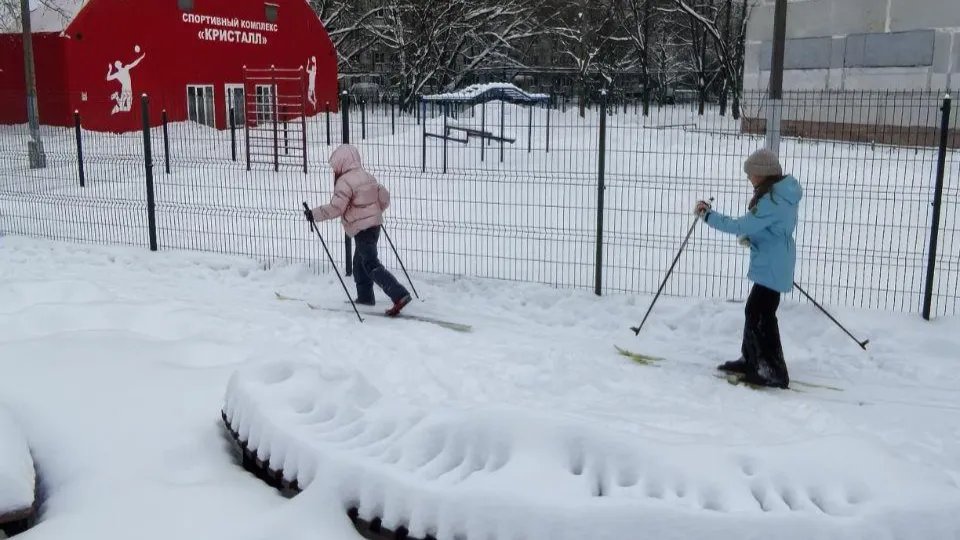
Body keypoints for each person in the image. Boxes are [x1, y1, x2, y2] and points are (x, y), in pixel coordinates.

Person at [694, 148, 803, 389]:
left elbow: (741, 224)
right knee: (755, 312)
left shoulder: (773, 201)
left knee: (760, 315)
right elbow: (768, 227)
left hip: (773, 263)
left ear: (763, 174)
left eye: (751, 173)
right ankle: (752, 360)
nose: (749, 178)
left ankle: (773, 371)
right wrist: (754, 237)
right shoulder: (778, 194)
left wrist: (707, 215)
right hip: (774, 259)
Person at [304, 144, 412, 316]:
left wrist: (314, 214)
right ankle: (365, 297)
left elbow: (337, 208)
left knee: (370, 263)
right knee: (359, 263)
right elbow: (384, 196)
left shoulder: (344, 182)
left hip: (362, 228)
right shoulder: (367, 176)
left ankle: (399, 294)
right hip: (374, 225)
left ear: (341, 163)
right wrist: (374, 213)